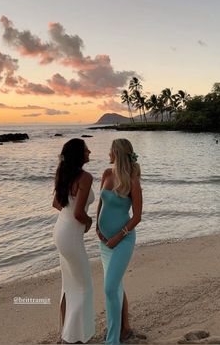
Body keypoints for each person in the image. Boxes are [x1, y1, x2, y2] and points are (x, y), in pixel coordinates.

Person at [96, 138, 143, 345]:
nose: (108, 153)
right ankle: (122, 330)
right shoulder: (106, 174)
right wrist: (98, 227)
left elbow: (137, 217)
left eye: (111, 150)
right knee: (114, 287)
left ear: (118, 153)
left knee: (109, 288)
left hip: (122, 242)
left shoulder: (132, 180)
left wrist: (118, 236)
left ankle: (112, 340)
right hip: (104, 242)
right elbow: (101, 202)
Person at [53, 138, 95, 344]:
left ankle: (67, 333)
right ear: (79, 154)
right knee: (84, 285)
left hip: (60, 230)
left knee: (68, 283)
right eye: (86, 150)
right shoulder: (85, 177)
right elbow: (79, 213)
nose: (90, 152)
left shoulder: (61, 172)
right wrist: (88, 222)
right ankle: (75, 337)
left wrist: (71, 219)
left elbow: (56, 203)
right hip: (70, 233)